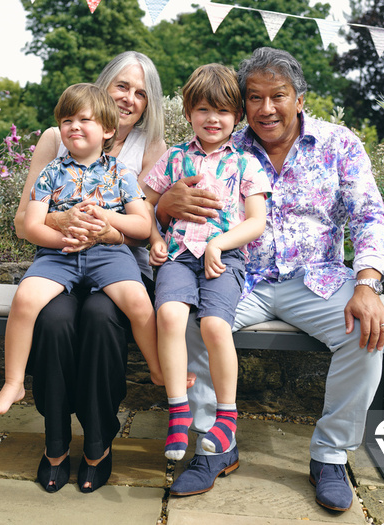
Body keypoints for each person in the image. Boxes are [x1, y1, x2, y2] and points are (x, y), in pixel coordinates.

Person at [159, 48, 384, 512]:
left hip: (318, 279)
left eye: (279, 96)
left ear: (300, 98)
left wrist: (367, 283)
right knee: (190, 322)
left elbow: (370, 215)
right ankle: (214, 445)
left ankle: (329, 454)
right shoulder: (220, 147)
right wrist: (165, 206)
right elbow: (166, 205)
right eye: (255, 98)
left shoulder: (338, 143)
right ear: (242, 103)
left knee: (367, 333)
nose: (267, 109)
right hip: (239, 276)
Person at [13, 51, 170, 494]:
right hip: (60, 255)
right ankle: (56, 442)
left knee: (102, 320)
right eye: (122, 86)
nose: (130, 98)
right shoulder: (56, 139)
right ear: (104, 86)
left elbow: (145, 228)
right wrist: (62, 223)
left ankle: (99, 443)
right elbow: (24, 221)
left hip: (117, 262)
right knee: (57, 320)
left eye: (141, 93)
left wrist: (108, 229)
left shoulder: (149, 149)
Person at [0, 83, 160, 417]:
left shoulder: (121, 173)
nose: (73, 126)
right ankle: (13, 383)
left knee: (138, 300)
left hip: (110, 255)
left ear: (108, 129)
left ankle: (158, 367)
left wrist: (109, 222)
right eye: (66, 120)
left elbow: (143, 227)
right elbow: (32, 227)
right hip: (58, 256)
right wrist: (64, 239)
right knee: (25, 299)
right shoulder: (52, 172)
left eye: (84, 119)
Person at [142, 64, 271, 461]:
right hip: (179, 257)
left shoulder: (246, 163)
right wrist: (154, 238)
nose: (212, 119)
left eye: (222, 111)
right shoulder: (174, 158)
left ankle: (226, 416)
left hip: (224, 260)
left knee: (215, 325)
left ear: (236, 116)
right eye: (202, 110)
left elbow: (256, 222)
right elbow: (144, 205)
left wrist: (219, 245)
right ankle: (178, 410)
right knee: (170, 317)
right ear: (188, 114)